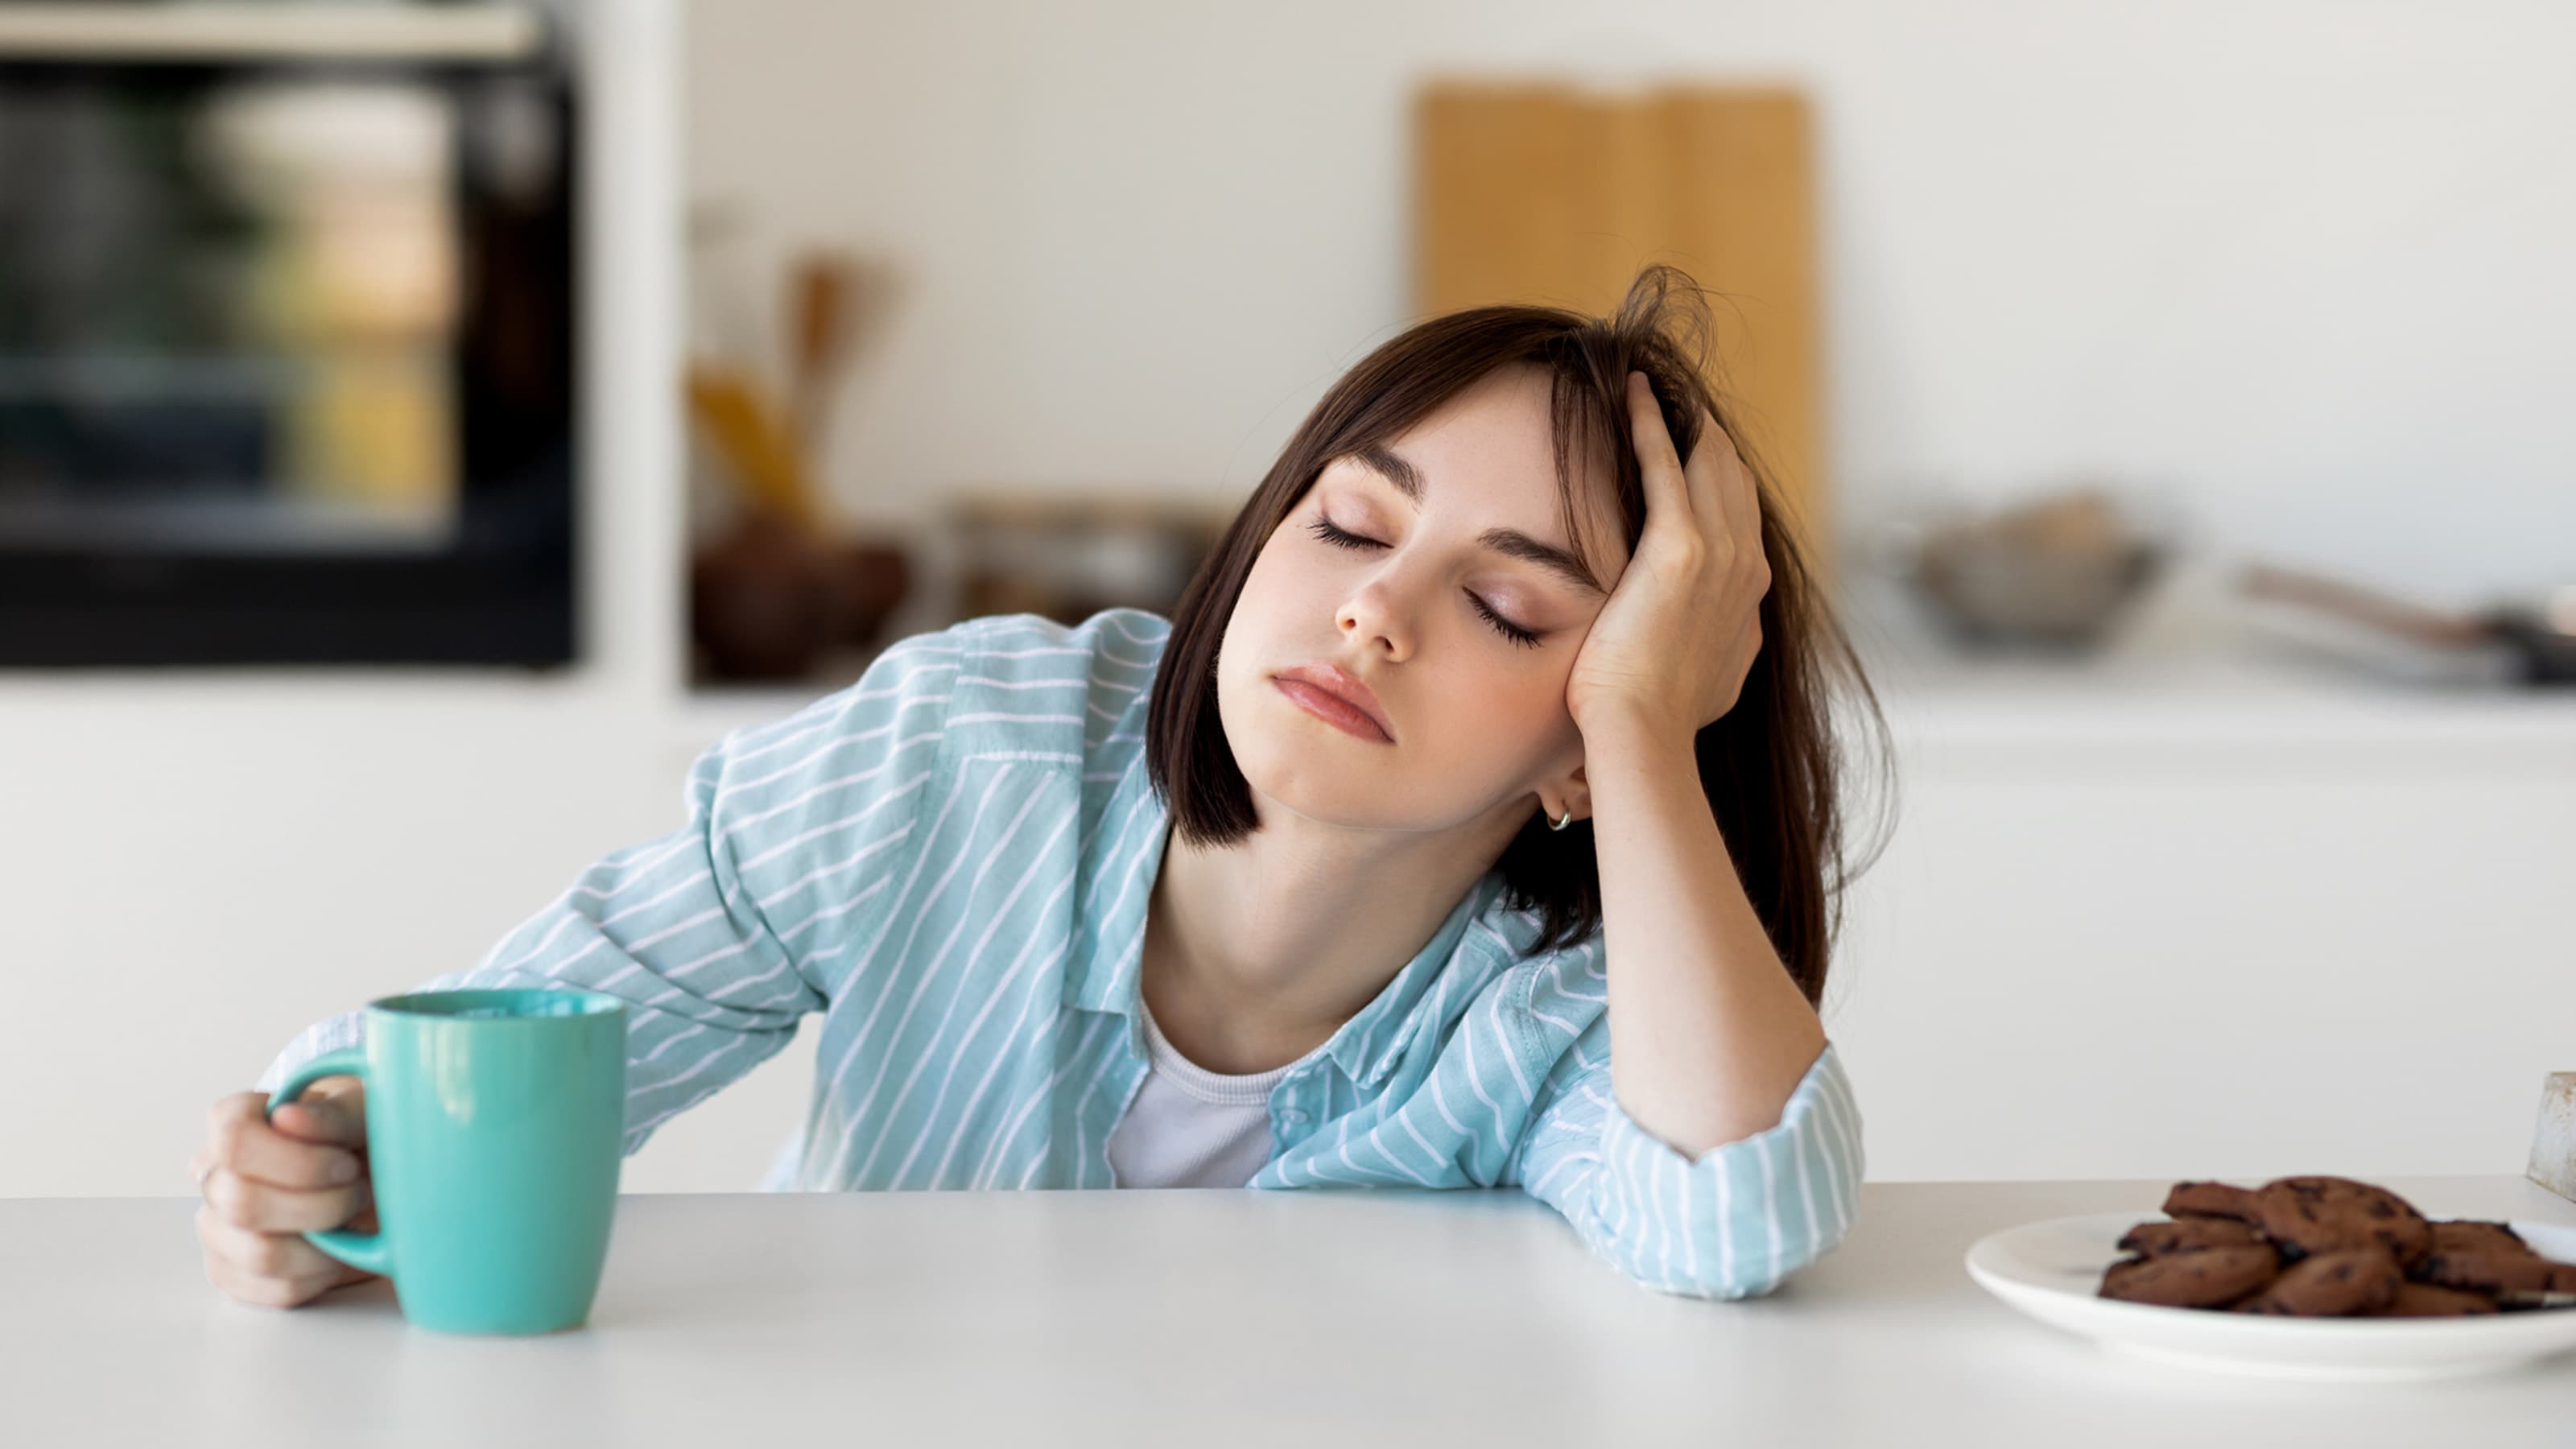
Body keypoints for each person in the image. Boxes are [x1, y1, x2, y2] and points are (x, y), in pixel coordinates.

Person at [192, 265, 1885, 1310]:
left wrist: (1651, 740)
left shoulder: (1564, 1006)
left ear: (1590, 730)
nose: (1374, 608)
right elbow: (506, 1052)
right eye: (1350, 525)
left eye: (1511, 606)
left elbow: (1734, 1211)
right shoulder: (965, 750)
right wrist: (332, 1156)